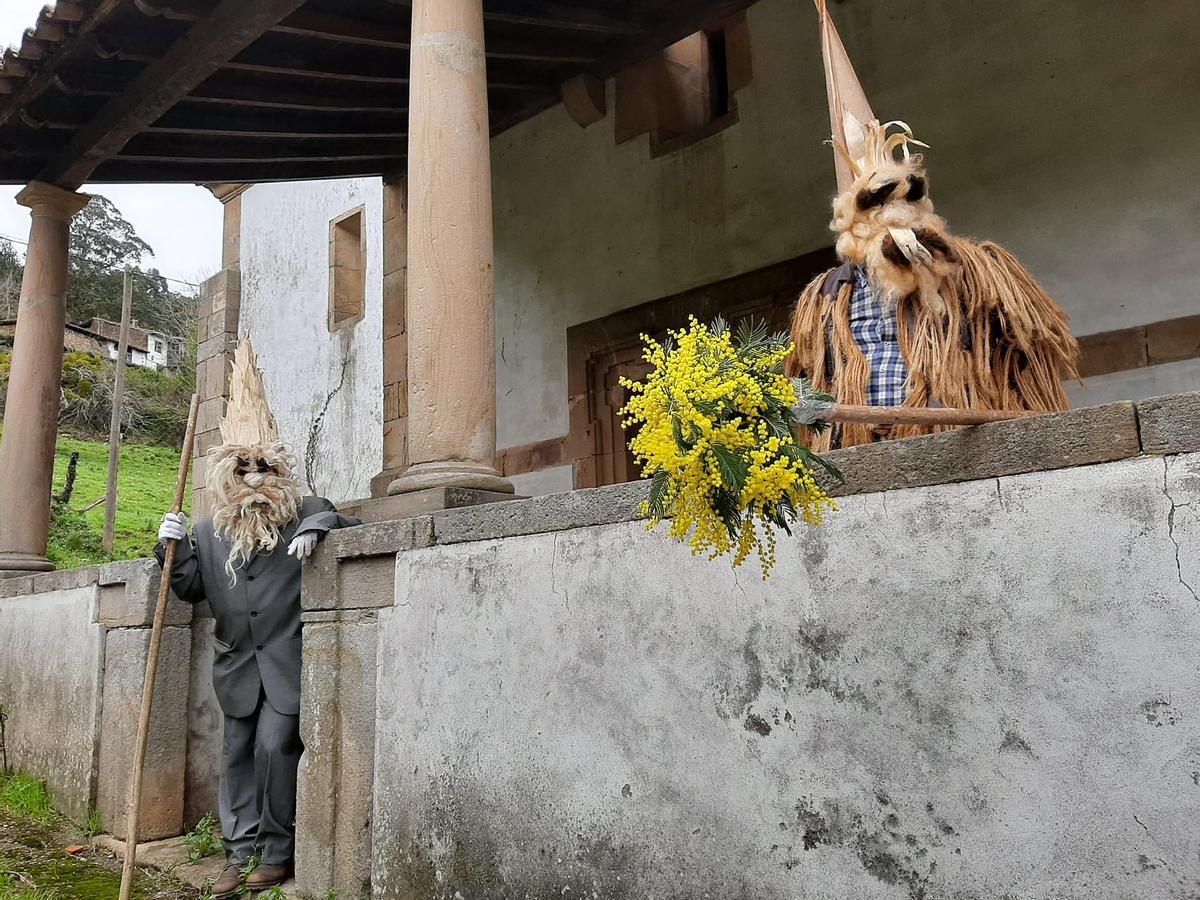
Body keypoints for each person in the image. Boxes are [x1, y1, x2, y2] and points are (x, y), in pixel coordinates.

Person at [786, 0, 1079, 451]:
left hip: (957, 450)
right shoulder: (826, 295)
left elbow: (1029, 349)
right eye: (879, 201)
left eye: (908, 195)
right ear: (851, 218)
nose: (896, 210)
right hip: (859, 457)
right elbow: (809, 371)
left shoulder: (978, 272)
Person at [156, 337, 360, 897]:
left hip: (285, 664)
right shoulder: (205, 533)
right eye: (240, 467)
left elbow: (330, 511)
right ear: (225, 475)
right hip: (236, 668)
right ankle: (236, 852)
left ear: (277, 472)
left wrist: (317, 528)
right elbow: (189, 589)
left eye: (261, 467)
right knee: (237, 754)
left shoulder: (299, 515)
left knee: (276, 748)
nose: (251, 477)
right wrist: (167, 549)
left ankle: (276, 851)